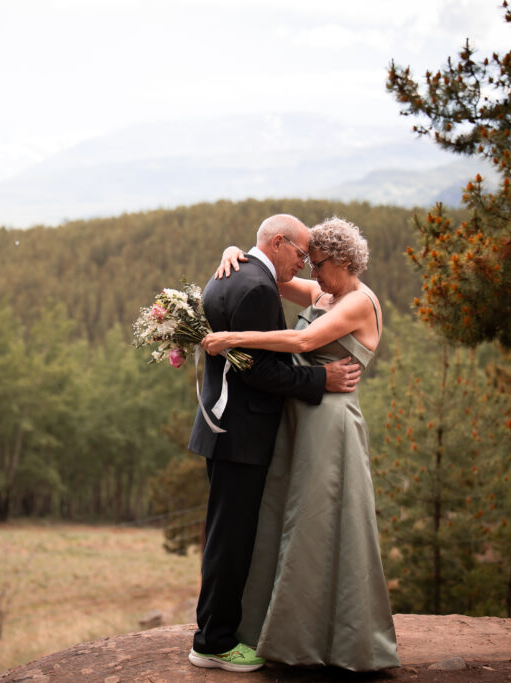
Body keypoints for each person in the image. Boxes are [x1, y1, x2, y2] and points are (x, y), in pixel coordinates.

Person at [201, 216, 399, 672]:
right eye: (309, 261)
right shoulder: (324, 293)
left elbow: (303, 338)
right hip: (300, 420)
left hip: (330, 423)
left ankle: (334, 639)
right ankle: (285, 631)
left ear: (346, 260)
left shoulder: (358, 303)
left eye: (320, 263)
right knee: (286, 524)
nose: (312, 272)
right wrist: (234, 250)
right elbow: (267, 274)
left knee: (320, 526)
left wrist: (234, 339)